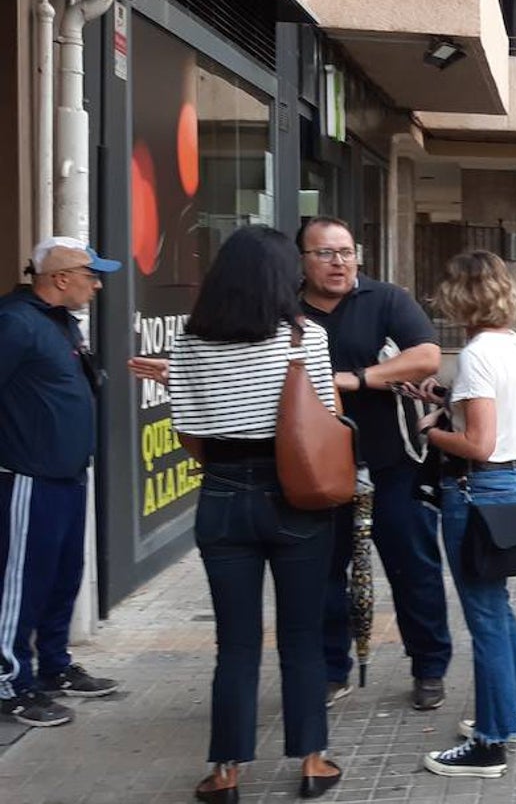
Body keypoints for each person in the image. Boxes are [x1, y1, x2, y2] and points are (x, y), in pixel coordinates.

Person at [166, 226, 342, 801]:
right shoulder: (304, 337)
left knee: (235, 642)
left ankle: (226, 772)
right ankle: (313, 762)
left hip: (220, 496)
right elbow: (323, 422)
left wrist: (223, 463)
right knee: (301, 634)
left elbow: (187, 431)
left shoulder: (189, 342)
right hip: (294, 496)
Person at [296, 216, 450, 712]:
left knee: (414, 567)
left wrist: (358, 379)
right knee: (321, 573)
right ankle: (329, 668)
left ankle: (429, 666)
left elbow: (426, 356)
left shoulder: (386, 300)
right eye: (324, 253)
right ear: (303, 260)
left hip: (392, 461)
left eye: (346, 251)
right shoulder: (286, 310)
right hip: (314, 467)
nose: (338, 262)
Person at [410, 251, 516, 778]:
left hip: (477, 488)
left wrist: (432, 430)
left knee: (484, 617)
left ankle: (490, 742)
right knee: (499, 608)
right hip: (509, 483)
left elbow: (479, 444)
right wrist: (447, 398)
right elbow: (505, 420)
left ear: (463, 294)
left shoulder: (478, 354)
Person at [0, 237, 121, 727]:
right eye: (91, 275)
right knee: (21, 584)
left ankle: (54, 666)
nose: (96, 285)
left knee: (62, 576)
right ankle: (10, 683)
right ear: (61, 277)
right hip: (29, 476)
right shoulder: (15, 323)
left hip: (68, 474)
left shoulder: (61, 321)